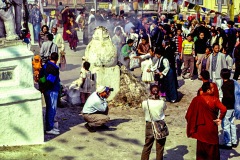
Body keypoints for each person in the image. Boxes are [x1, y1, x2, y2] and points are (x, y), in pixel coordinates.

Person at [185, 82, 227, 160]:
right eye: (212, 88)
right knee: (212, 148)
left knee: (202, 146)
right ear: (208, 90)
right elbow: (224, 109)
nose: (214, 89)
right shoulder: (214, 99)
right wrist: (220, 118)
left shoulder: (196, 99)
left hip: (201, 128)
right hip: (211, 127)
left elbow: (188, 115)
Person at [141, 84, 167, 160]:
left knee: (147, 146)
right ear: (159, 92)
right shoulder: (162, 102)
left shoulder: (145, 103)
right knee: (160, 147)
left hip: (149, 124)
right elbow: (164, 109)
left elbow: (144, 110)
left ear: (150, 92)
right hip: (160, 125)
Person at [42, 52, 61, 135]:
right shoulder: (54, 68)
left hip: (46, 90)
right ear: (57, 59)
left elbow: (43, 78)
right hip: (52, 91)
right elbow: (51, 81)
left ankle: (50, 126)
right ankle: (49, 128)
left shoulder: (45, 65)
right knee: (51, 109)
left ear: (50, 58)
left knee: (49, 108)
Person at [219, 68, 237, 149]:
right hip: (234, 106)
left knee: (226, 125)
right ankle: (234, 141)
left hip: (227, 107)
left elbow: (227, 97)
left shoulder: (224, 86)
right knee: (232, 124)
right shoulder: (233, 82)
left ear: (221, 76)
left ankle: (228, 143)